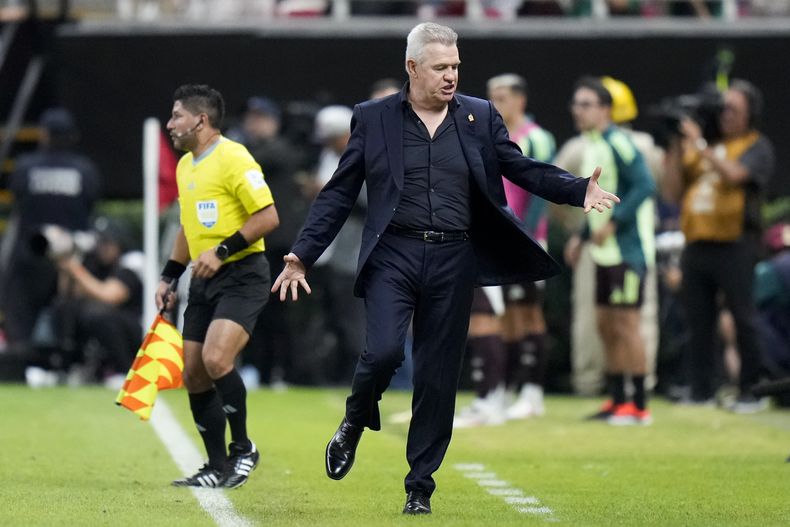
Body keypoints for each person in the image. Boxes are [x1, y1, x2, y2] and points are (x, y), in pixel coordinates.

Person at [271, 22, 618, 514]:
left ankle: (419, 487)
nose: (451, 75)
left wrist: (576, 188)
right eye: (440, 67)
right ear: (412, 68)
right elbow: (340, 191)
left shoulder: (479, 116)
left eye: (455, 65)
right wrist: (302, 254)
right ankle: (355, 418)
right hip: (394, 254)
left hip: (455, 257)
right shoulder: (374, 118)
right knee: (385, 351)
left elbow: (520, 167)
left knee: (437, 377)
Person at [156, 84, 280, 488]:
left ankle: (243, 449)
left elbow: (268, 216)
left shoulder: (233, 157)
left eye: (177, 116)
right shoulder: (186, 165)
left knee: (216, 360)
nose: (171, 124)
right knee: (192, 373)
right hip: (204, 279)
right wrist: (169, 275)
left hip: (242, 274)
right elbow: (187, 229)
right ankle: (215, 466)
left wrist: (223, 251)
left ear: (201, 120)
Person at [663, 79, 775, 412]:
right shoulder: (704, 147)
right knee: (698, 320)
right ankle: (701, 390)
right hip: (698, 243)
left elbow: (735, 175)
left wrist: (699, 145)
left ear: (750, 113)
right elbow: (672, 193)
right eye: (722, 108)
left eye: (733, 109)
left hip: (735, 243)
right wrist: (676, 146)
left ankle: (752, 390)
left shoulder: (756, 146)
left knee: (743, 318)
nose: (725, 114)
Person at [454, 73, 557, 428]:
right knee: (505, 318)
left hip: (520, 238)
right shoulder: (486, 136)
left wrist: (521, 234)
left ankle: (527, 393)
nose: (495, 102)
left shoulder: (536, 138)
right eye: (491, 95)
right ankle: (504, 392)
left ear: (520, 100)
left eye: (502, 96)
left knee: (523, 315)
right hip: (490, 237)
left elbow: (541, 186)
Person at [563, 77, 656, 425]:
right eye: (576, 104)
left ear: (605, 109)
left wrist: (615, 226)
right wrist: (582, 237)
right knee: (605, 324)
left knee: (628, 325)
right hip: (603, 252)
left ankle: (640, 405)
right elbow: (603, 197)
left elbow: (644, 185)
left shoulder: (620, 142)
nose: (578, 111)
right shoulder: (593, 145)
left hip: (627, 252)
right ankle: (617, 401)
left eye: (586, 104)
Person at [0, 107, 100, 352]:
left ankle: (20, 365)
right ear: (72, 136)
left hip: (29, 257)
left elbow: (17, 200)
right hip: (71, 261)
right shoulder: (85, 170)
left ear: (44, 134)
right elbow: (90, 206)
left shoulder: (25, 167)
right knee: (69, 319)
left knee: (21, 320)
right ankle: (66, 363)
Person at [55, 217, 143, 387]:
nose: (102, 248)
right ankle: (69, 367)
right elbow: (68, 293)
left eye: (107, 243)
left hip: (138, 330)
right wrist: (67, 263)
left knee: (99, 316)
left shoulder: (131, 262)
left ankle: (124, 371)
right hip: (107, 325)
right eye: (99, 242)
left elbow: (111, 296)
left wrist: (76, 270)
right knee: (65, 308)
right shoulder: (95, 263)